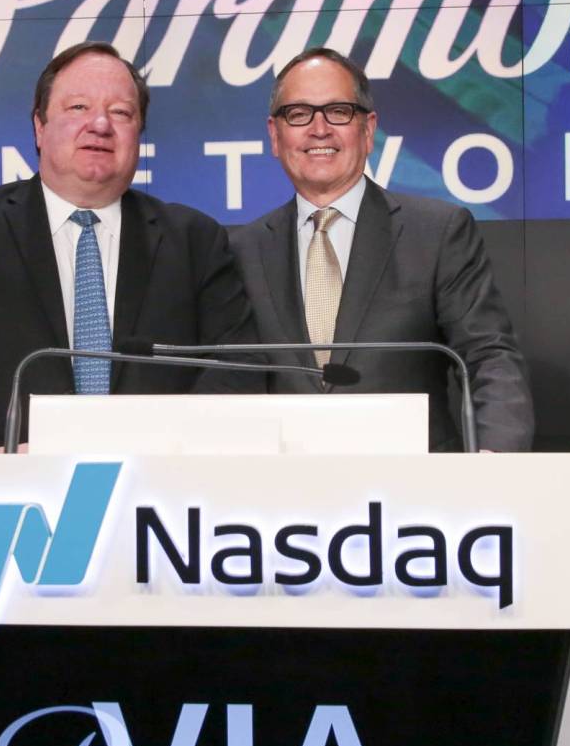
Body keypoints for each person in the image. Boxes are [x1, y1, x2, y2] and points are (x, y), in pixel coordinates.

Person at [0, 41, 257, 451]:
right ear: (39, 126)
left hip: (158, 479)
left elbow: (238, 365)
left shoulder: (193, 239)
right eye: (78, 107)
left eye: (121, 112)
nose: (100, 124)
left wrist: (168, 448)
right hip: (3, 481)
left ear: (138, 133)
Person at [228, 47, 534, 452]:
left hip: (413, 483)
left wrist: (497, 459)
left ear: (368, 129)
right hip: (284, 485)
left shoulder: (437, 232)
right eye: (299, 113)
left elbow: (488, 356)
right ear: (274, 134)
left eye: (338, 111)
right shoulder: (241, 250)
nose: (319, 129)